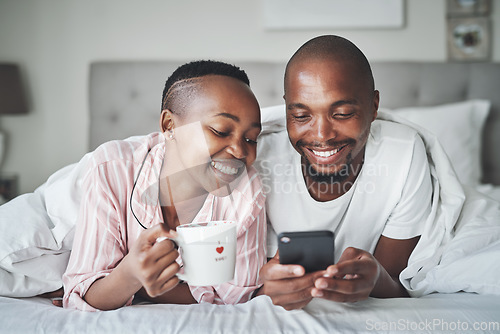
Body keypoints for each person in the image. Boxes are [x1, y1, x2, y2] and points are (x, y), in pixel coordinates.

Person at [62, 60, 267, 311]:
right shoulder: (112, 169)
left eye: (251, 139)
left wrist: (140, 289)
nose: (239, 150)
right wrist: (130, 275)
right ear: (170, 126)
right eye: (221, 130)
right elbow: (81, 295)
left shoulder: (246, 190)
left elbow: (236, 298)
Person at [255, 35, 433, 310]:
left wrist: (376, 280)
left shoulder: (403, 153)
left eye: (342, 113)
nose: (322, 135)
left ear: (373, 107)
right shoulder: (259, 158)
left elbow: (398, 283)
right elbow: (239, 284)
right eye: (302, 116)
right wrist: (263, 290)